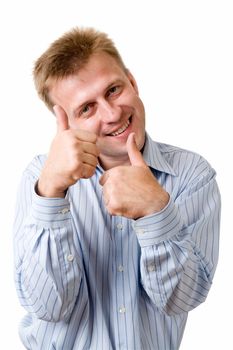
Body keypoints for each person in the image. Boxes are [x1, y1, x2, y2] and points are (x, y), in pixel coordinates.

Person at [13, 27, 221, 350]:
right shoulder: (38, 180)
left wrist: (156, 211)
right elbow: (47, 306)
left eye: (113, 90)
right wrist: (52, 193)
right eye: (87, 108)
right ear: (65, 123)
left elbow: (183, 299)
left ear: (132, 82)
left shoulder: (192, 175)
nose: (112, 114)